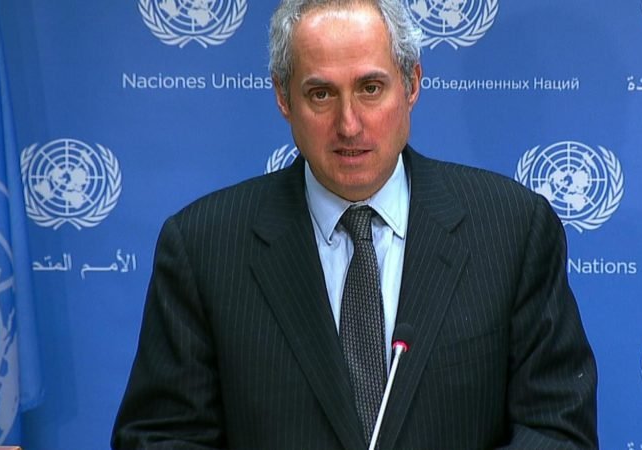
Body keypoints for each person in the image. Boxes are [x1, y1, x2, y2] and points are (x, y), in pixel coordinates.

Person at [112, 0, 598, 448]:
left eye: (370, 88)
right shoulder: (204, 247)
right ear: (283, 98)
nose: (349, 124)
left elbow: (557, 430)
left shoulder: (512, 229)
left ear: (411, 84)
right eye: (321, 93)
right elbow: (162, 438)